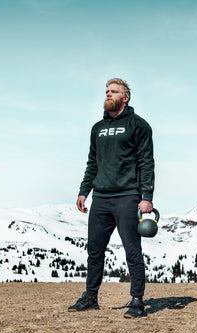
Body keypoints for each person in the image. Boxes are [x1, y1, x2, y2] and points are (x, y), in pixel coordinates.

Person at [69, 78, 155, 318]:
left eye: (113, 91)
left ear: (125, 97)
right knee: (95, 251)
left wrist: (146, 196)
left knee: (132, 251)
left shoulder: (139, 125)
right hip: (101, 199)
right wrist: (84, 190)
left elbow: (147, 162)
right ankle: (90, 298)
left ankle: (137, 301)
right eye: (106, 91)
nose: (108, 94)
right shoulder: (97, 128)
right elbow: (92, 162)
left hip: (127, 197)